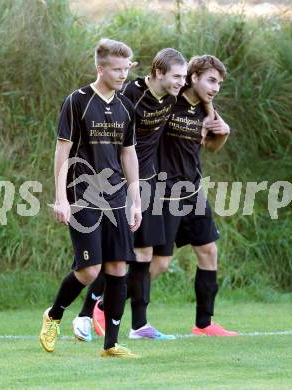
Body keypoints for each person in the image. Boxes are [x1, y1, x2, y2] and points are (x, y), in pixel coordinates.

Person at [72, 48, 188, 341]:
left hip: (146, 184)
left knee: (145, 254)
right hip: (117, 186)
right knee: (115, 256)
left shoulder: (172, 98)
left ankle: (139, 326)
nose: (181, 82)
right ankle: (87, 313)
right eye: (177, 76)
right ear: (158, 72)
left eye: (184, 77)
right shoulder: (131, 95)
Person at [39, 38, 142, 358]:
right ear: (100, 68)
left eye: (126, 69)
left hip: (115, 198)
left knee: (117, 268)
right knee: (88, 271)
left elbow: (129, 153)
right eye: (117, 69)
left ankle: (110, 344)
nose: (123, 75)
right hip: (82, 195)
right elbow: (62, 150)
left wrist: (135, 199)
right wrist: (60, 197)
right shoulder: (78, 101)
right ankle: (54, 315)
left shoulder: (126, 106)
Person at [150, 54, 239, 336]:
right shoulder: (169, 101)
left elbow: (212, 145)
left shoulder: (205, 109)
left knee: (209, 250)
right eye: (211, 80)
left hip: (192, 191)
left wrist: (223, 132)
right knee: (159, 264)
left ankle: (204, 324)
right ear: (194, 77)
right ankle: (103, 304)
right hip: (165, 192)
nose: (215, 87)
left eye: (219, 83)